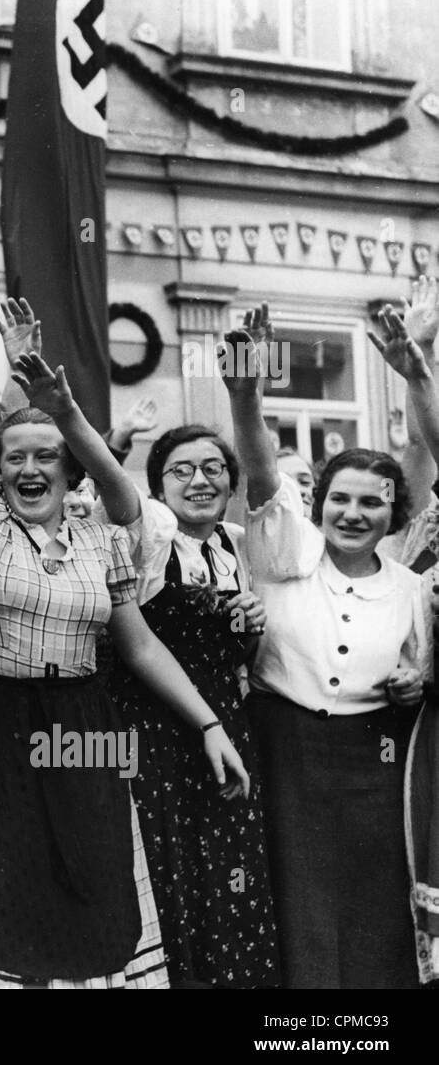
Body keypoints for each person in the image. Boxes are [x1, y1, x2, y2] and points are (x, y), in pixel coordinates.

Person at [0, 217, 250, 989]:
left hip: (87, 721)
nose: (30, 468)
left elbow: (137, 644)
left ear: (70, 470)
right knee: (8, 894)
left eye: (47, 458)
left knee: (98, 881)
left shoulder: (100, 537)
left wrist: (206, 723)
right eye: (15, 458)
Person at [224, 301, 431, 988]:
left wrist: (415, 684)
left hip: (375, 759)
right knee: (295, 905)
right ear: (320, 505)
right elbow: (259, 466)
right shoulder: (286, 552)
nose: (353, 513)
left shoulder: (409, 588)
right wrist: (245, 386)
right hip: (285, 749)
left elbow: (422, 673)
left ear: (393, 514)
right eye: (341, 499)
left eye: (372, 503)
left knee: (375, 909)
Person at [106, 423, 281, 987]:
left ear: (231, 483)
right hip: (155, 728)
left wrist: (251, 624)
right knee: (170, 869)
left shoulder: (237, 544)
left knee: (231, 871)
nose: (199, 480)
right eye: (181, 470)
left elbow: (243, 652)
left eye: (213, 468)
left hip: (227, 721)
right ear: (157, 487)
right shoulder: (149, 540)